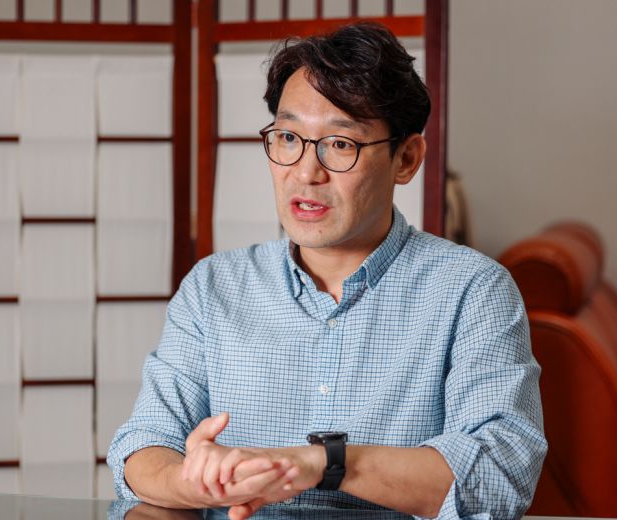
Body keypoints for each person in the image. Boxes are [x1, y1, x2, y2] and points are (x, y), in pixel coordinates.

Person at [108, 22, 547, 520]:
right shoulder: (214, 286)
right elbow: (142, 446)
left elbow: (500, 474)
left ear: (406, 159)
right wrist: (195, 482)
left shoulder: (473, 290)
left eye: (339, 144)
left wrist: (323, 463)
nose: (305, 172)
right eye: (287, 137)